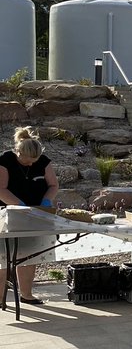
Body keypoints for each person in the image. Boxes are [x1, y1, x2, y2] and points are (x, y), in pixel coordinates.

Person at [0, 127, 59, 304]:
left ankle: (26, 294)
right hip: (7, 215)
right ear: (18, 152)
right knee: (3, 257)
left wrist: (46, 201)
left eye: (35, 161)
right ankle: (0, 298)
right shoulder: (5, 161)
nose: (32, 165)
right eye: (28, 161)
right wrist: (20, 206)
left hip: (35, 215)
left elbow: (53, 185)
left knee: (29, 255)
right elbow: (0, 189)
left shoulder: (42, 161)